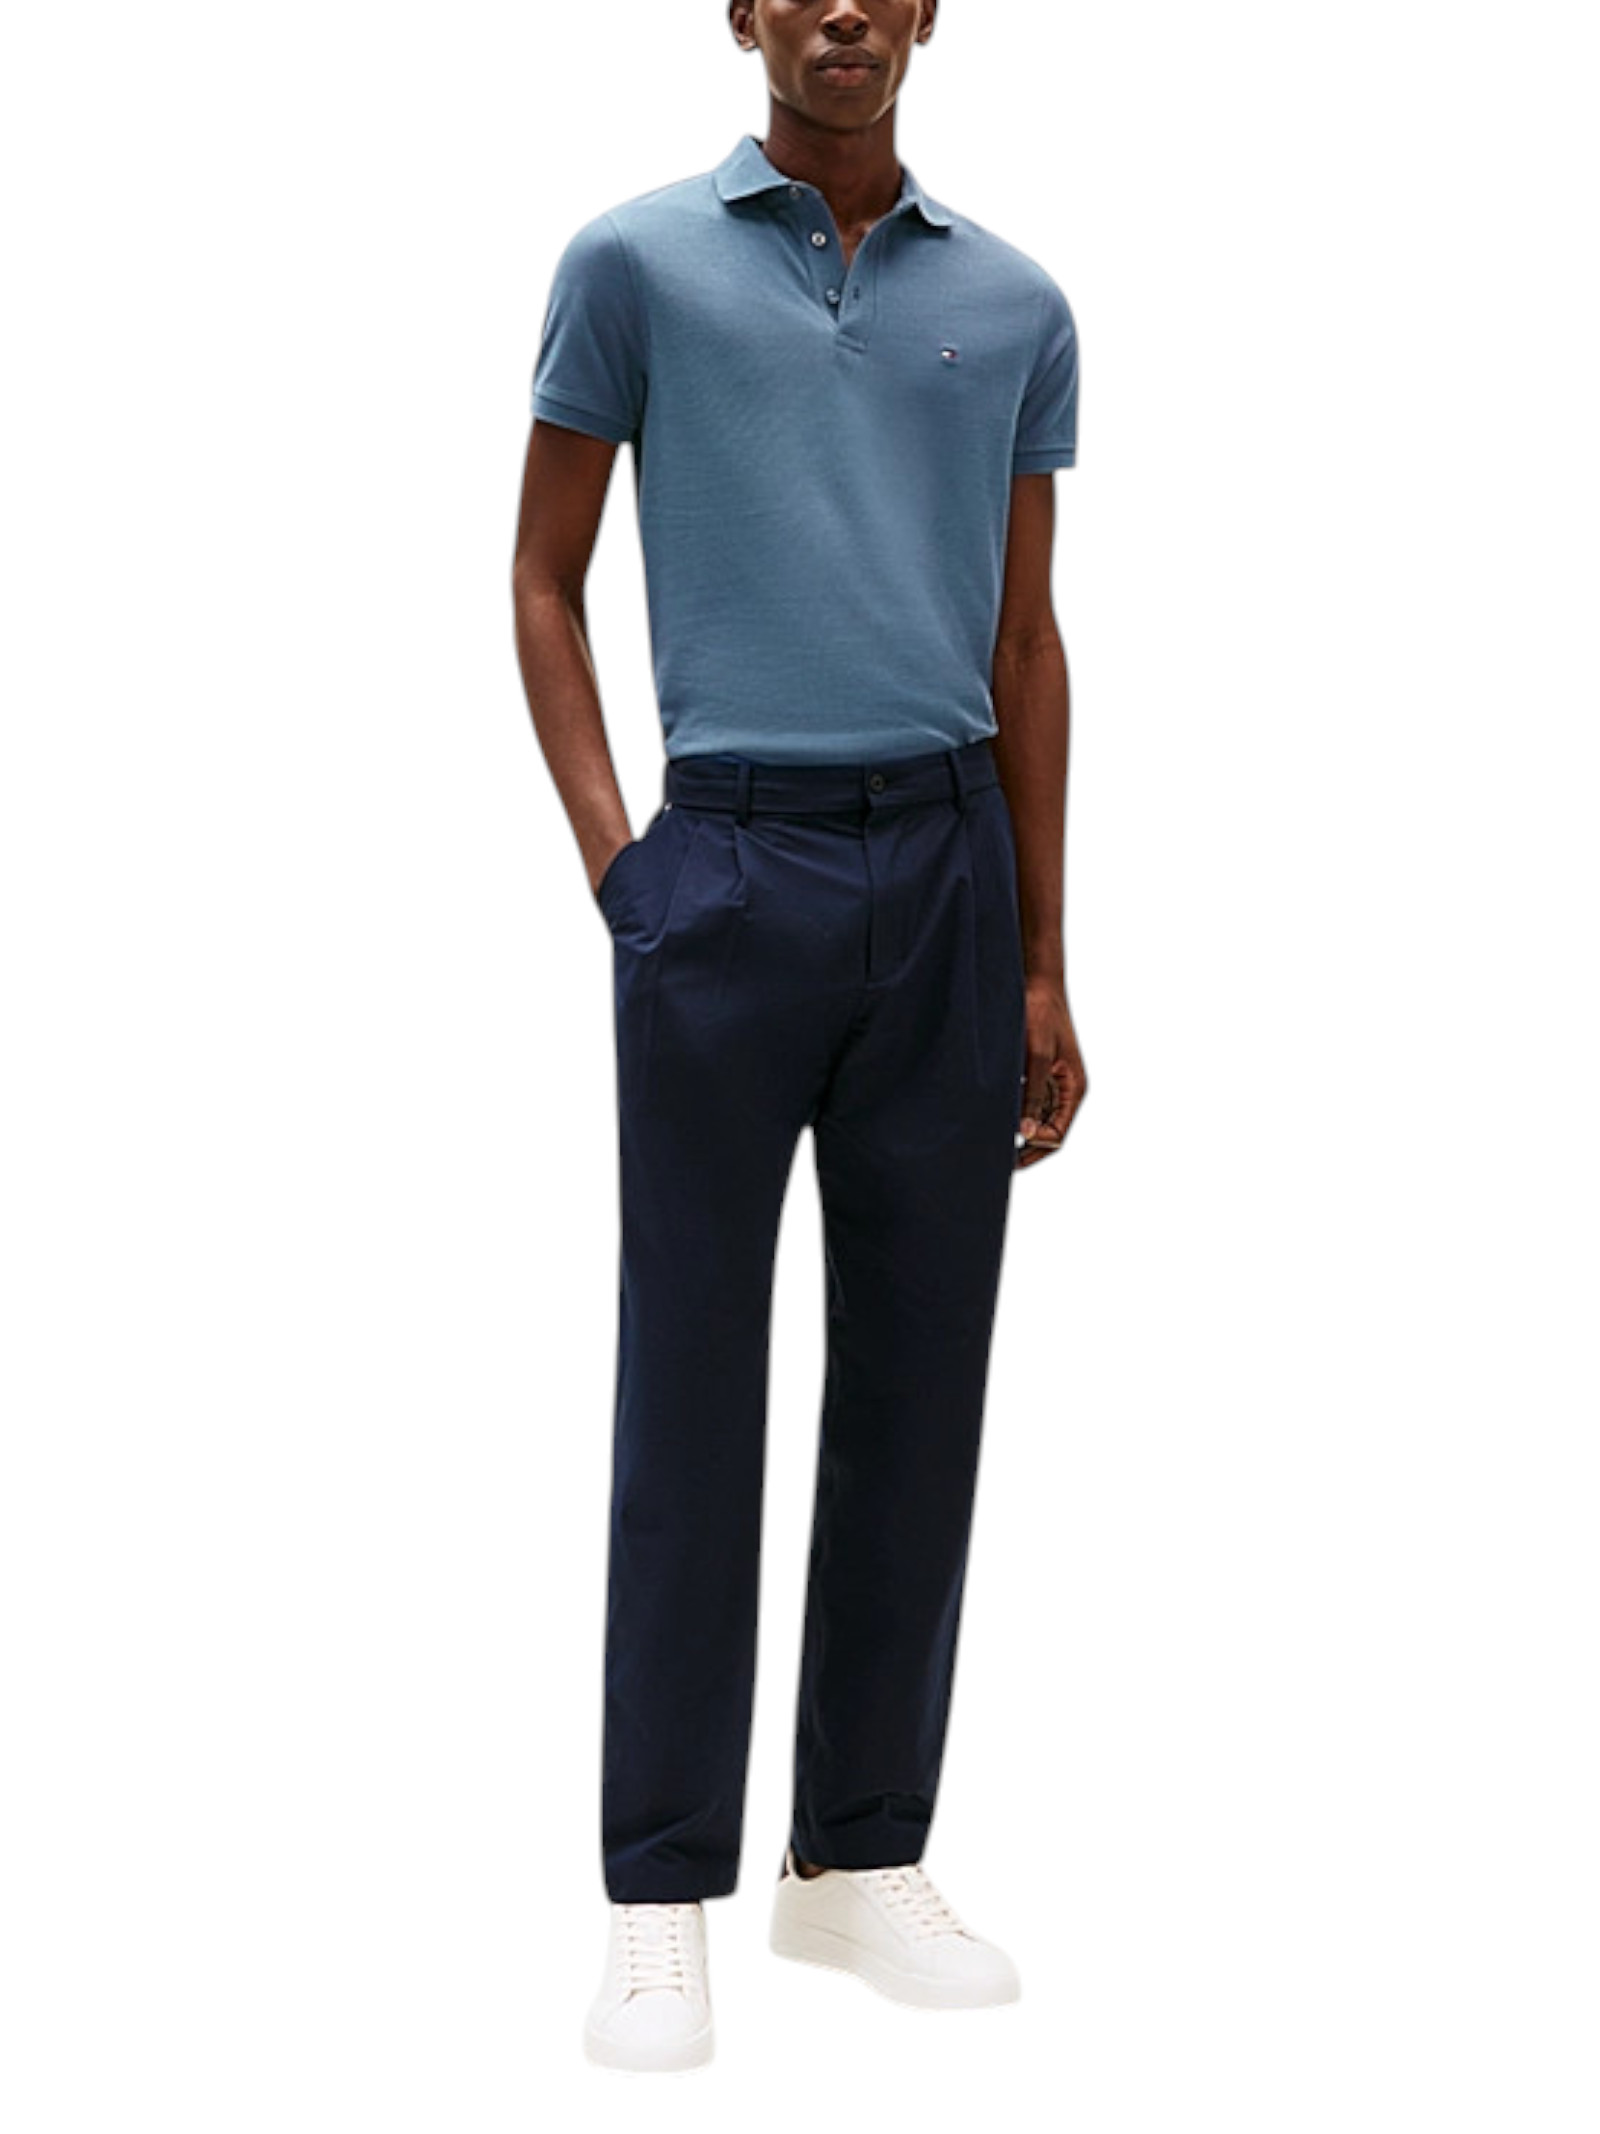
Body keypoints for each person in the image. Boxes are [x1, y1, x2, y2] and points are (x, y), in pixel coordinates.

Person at [511, 0, 1087, 2073]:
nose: (842, 9)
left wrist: (1041, 955)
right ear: (744, 13)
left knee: (922, 1374)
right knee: (691, 1376)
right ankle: (657, 1887)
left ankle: (856, 1854)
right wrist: (624, 867)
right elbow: (544, 578)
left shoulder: (1015, 306)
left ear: (925, 14)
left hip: (947, 865)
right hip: (728, 864)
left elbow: (1022, 635)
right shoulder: (632, 265)